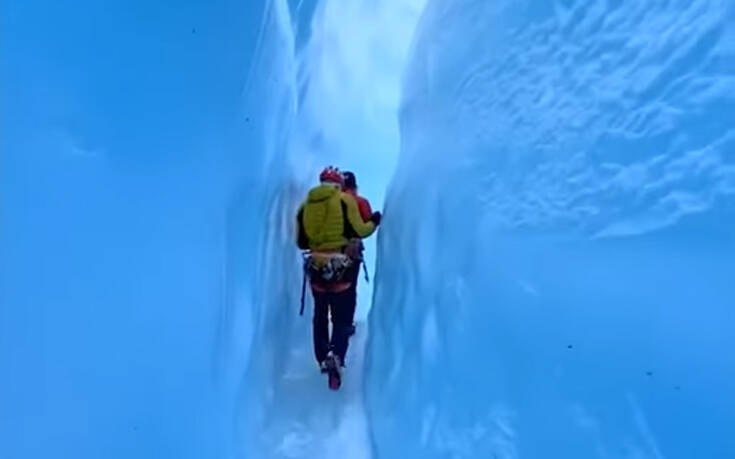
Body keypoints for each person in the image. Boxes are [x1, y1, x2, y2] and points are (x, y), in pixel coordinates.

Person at [296, 166, 382, 386]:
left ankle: (322, 355)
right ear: (338, 185)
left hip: (316, 268)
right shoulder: (345, 201)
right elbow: (361, 230)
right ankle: (337, 355)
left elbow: (301, 242)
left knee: (320, 312)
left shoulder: (304, 207)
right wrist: (374, 221)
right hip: (341, 267)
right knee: (342, 316)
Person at [340, 171, 373, 335]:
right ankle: (346, 322)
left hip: (331, 251)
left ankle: (336, 321)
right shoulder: (361, 202)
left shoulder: (332, 203)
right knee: (349, 288)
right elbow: (367, 222)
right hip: (353, 252)